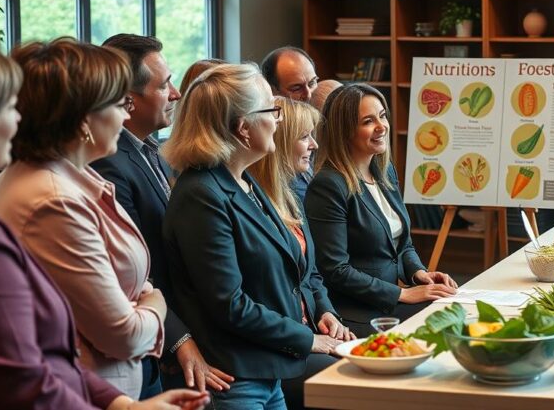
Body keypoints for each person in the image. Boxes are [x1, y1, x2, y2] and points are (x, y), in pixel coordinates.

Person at [0, 38, 167, 399]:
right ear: (84, 119)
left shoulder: (69, 176)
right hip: (89, 393)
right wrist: (156, 304)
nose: (125, 115)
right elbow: (123, 334)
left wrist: (139, 300)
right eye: (120, 103)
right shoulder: (52, 200)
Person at [162, 64, 345, 410]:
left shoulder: (244, 182)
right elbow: (229, 304)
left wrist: (318, 312)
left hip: (265, 368)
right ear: (242, 127)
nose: (279, 119)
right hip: (235, 377)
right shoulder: (201, 195)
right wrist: (309, 340)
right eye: (271, 110)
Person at [92, 35, 233, 394]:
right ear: (129, 99)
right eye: (164, 84)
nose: (175, 94)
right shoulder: (111, 164)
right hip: (156, 347)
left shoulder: (153, 149)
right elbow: (138, 268)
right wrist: (180, 341)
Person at [305, 83, 457, 336]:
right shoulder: (329, 185)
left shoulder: (384, 171)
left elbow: (402, 244)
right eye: (368, 121)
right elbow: (335, 270)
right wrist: (402, 293)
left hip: (390, 302)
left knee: (454, 312)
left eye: (382, 116)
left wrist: (419, 274)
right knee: (445, 326)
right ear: (344, 131)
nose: (382, 126)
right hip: (358, 311)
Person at [248, 97, 355, 409]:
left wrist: (327, 314)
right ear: (280, 143)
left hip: (308, 332)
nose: (314, 145)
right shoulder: (251, 204)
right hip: (280, 348)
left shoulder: (291, 198)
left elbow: (312, 275)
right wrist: (309, 340)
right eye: (304, 137)